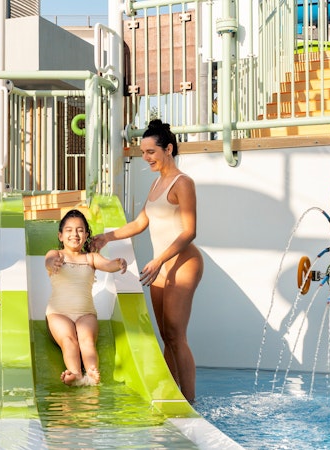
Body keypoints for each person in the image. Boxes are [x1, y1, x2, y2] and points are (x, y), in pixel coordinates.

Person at [90, 119, 203, 403]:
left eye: (151, 151)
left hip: (183, 263)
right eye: (143, 152)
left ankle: (191, 402)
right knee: (166, 335)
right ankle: (172, 396)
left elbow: (190, 231)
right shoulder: (156, 183)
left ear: (168, 149)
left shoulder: (183, 183)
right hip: (161, 265)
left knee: (177, 334)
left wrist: (159, 260)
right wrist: (106, 237)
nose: (146, 157)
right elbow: (142, 221)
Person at [45, 209, 127, 387]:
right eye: (69, 230)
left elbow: (107, 265)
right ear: (60, 236)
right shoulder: (56, 254)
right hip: (58, 314)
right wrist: (54, 263)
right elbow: (49, 262)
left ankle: (91, 374)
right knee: (69, 339)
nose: (74, 234)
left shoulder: (91, 257)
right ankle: (75, 374)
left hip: (85, 313)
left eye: (80, 230)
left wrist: (117, 263)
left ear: (86, 234)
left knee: (86, 339)